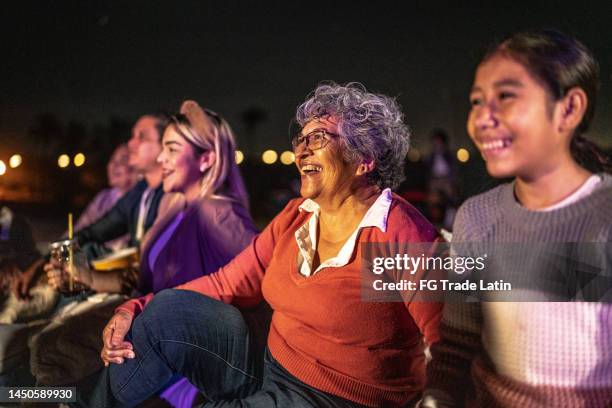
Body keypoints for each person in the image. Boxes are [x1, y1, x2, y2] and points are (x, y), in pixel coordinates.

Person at [100, 83, 442, 408]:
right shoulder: (298, 216)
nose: (301, 150)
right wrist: (136, 307)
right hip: (269, 363)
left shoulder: (401, 233)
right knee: (167, 312)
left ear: (364, 158)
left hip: (334, 397)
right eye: (301, 139)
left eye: (318, 137)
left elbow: (453, 342)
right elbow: (227, 283)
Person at [424, 29, 612, 407]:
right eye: (477, 101)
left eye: (506, 96)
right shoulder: (477, 217)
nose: (482, 118)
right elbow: (458, 345)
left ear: (569, 109)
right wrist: (436, 397)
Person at [38, 101, 257, 403]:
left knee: (58, 354)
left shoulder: (219, 213)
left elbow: (253, 286)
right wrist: (89, 280)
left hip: (170, 349)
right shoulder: (173, 205)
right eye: (163, 147)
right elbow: (141, 280)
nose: (161, 158)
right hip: (139, 324)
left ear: (206, 158)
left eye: (172, 149)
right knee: (53, 355)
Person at [72, 143, 136, 253]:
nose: (114, 166)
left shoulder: (141, 200)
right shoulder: (104, 198)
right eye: (112, 160)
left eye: (122, 161)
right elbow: (81, 228)